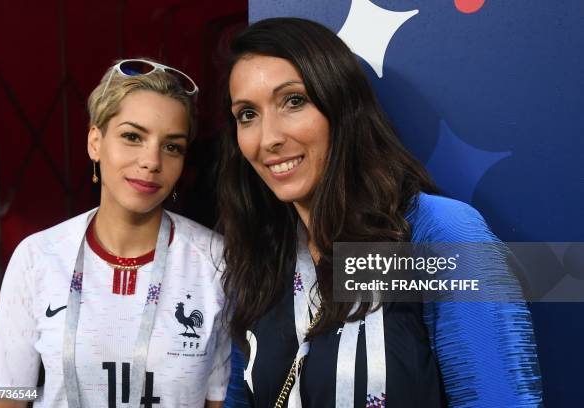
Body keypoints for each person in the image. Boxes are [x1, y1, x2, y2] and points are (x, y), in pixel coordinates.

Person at [218, 18, 542, 407]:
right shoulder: (263, 257)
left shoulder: (435, 233)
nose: (268, 138)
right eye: (247, 114)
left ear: (340, 106)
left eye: (294, 101)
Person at [0, 59, 229, 407]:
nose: (151, 161)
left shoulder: (217, 261)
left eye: (172, 146)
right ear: (95, 142)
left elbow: (218, 398)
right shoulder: (38, 256)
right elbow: (5, 393)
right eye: (132, 136)